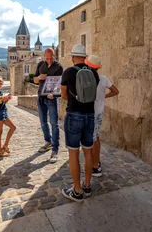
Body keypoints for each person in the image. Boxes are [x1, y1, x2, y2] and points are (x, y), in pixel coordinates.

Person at [60, 44, 99, 202]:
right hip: (90, 115)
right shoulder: (94, 73)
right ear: (85, 57)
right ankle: (87, 186)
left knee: (73, 153)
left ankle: (77, 191)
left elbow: (63, 96)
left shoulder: (68, 72)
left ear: (72, 57)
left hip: (74, 115)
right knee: (88, 152)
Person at [84, 55, 119, 177]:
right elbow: (116, 91)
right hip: (98, 112)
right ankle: (96, 164)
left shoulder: (85, 80)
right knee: (96, 137)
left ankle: (93, 165)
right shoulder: (103, 79)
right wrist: (104, 97)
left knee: (90, 140)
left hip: (88, 112)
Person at [34, 48, 63, 163]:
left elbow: (60, 84)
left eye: (51, 58)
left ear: (54, 55)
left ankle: (55, 150)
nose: (49, 60)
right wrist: (39, 78)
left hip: (51, 98)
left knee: (54, 124)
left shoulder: (59, 67)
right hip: (40, 97)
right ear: (44, 57)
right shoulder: (41, 64)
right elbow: (35, 80)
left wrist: (54, 94)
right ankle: (48, 142)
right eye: (47, 58)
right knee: (43, 122)